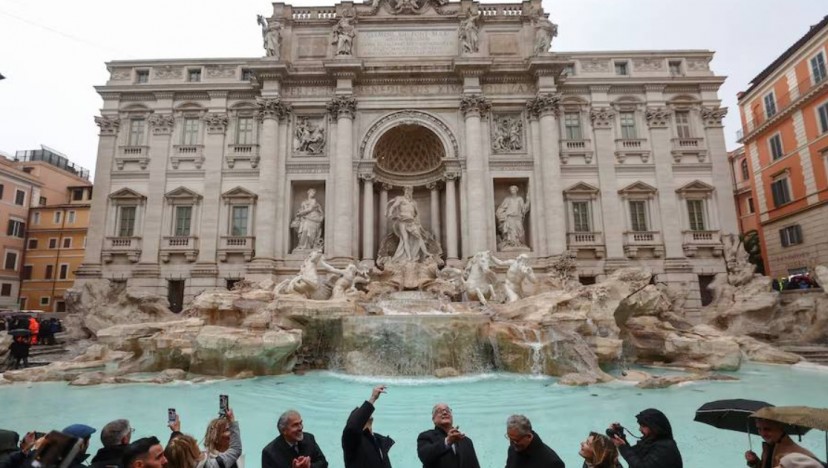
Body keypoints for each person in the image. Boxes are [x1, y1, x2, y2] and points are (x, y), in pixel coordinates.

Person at [609, 408, 682, 468]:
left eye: (643, 426)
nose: (640, 429)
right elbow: (634, 456)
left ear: (654, 427)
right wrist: (621, 436)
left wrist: (622, 447)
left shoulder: (666, 447)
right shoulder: (651, 442)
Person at [342, 385, 394, 468]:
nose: (365, 414)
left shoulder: (377, 439)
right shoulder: (352, 441)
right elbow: (352, 427)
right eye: (360, 413)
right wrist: (372, 398)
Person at [417, 403, 480, 468]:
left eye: (447, 410)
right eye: (439, 411)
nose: (444, 412)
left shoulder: (466, 441)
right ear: (433, 419)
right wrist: (447, 441)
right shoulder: (425, 436)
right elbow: (425, 456)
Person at [261, 410, 328, 468]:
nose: (300, 428)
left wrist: (309, 466)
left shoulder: (309, 439)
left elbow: (323, 463)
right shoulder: (269, 453)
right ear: (284, 430)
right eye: (295, 425)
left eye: (300, 423)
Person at [745, 418, 818, 468]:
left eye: (767, 429)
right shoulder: (770, 447)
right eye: (759, 429)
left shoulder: (796, 454)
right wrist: (754, 462)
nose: (762, 433)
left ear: (779, 426)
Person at [387, 186, 430, 263]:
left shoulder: (413, 202)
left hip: (411, 221)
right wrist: (390, 213)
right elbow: (393, 206)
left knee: (419, 236)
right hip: (402, 221)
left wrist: (418, 222)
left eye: (410, 190)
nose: (408, 191)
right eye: (407, 190)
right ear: (404, 191)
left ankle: (425, 252)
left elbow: (417, 213)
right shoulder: (400, 199)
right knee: (405, 239)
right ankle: (409, 257)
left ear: (412, 192)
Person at [495, 185, 530, 250]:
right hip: (509, 217)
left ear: (516, 190)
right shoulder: (507, 199)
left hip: (518, 217)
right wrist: (502, 215)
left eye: (513, 189)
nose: (512, 191)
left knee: (520, 230)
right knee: (510, 231)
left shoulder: (520, 199)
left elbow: (524, 209)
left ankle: (519, 243)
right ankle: (512, 244)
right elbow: (501, 208)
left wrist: (528, 201)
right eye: (511, 190)